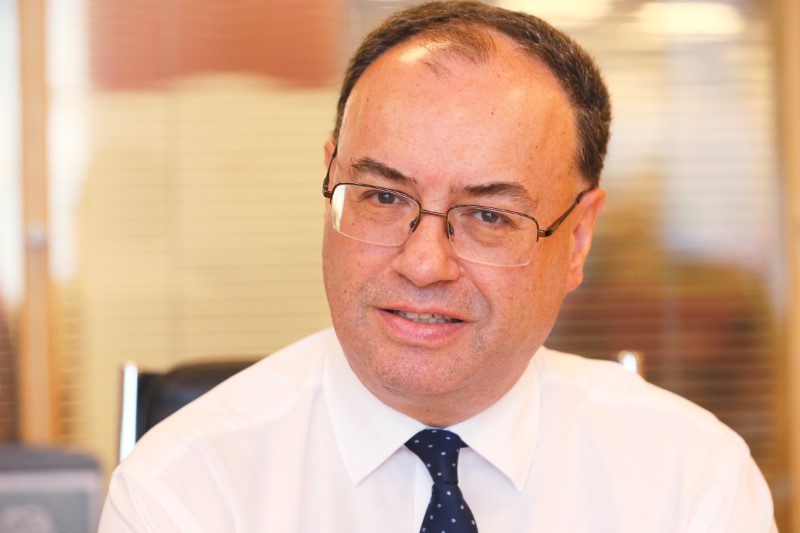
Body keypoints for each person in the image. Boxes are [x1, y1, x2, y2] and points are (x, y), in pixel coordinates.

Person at [99, 1, 777, 531]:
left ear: (576, 239)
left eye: (488, 215)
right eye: (384, 197)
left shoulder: (690, 479)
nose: (423, 263)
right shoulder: (186, 489)